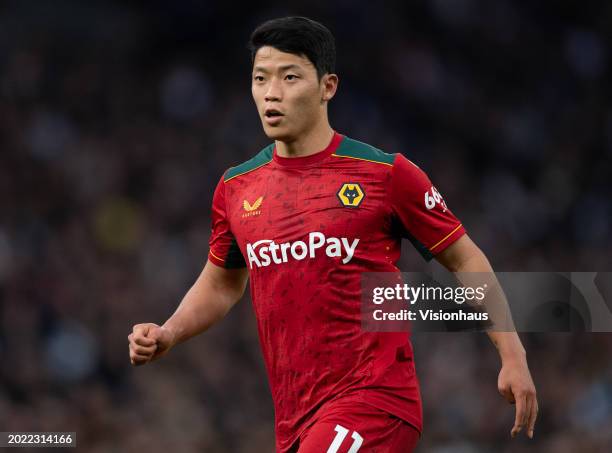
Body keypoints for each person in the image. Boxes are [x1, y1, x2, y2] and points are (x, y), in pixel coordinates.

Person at [128, 16, 538, 452]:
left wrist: (513, 355)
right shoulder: (236, 187)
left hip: (375, 401)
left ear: (328, 87)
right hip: (295, 419)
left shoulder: (386, 174)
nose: (271, 92)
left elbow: (465, 259)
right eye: (260, 78)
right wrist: (170, 331)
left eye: (289, 77)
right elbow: (221, 283)